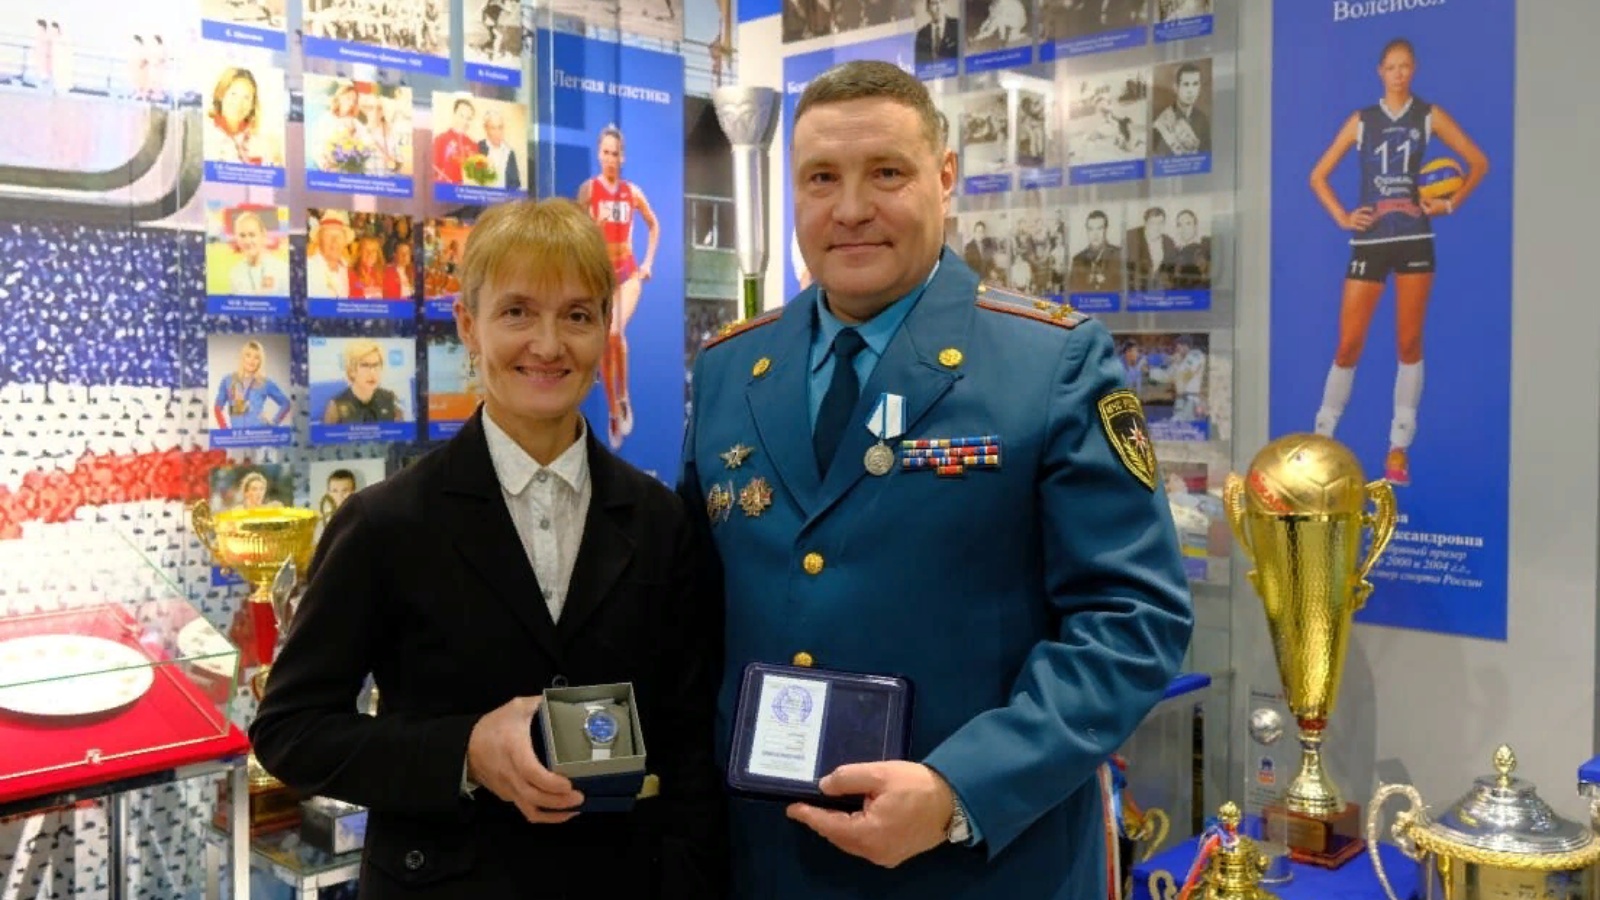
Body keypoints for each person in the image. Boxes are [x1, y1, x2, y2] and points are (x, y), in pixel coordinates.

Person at [677, 60, 1191, 899]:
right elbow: (691, 610)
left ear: (945, 177)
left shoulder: (1051, 363)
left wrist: (961, 789)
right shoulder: (733, 368)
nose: (850, 209)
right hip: (773, 860)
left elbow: (1131, 621)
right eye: (821, 178)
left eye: (886, 172)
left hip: (978, 862)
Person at [251, 198, 725, 899]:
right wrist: (465, 752)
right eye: (517, 312)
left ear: (605, 327)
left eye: (577, 315)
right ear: (468, 325)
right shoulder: (386, 523)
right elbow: (291, 730)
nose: (548, 345)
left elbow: (691, 747)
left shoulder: (661, 522)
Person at [1308, 36, 1488, 485]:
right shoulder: (1362, 120)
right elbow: (1318, 176)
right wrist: (1343, 216)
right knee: (1348, 344)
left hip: (1414, 238)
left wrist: (1449, 203)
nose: (1398, 73)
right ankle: (1323, 437)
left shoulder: (1428, 115)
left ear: (1414, 70)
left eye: (1405, 66)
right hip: (1370, 240)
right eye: (1391, 66)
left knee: (1408, 343)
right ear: (1380, 72)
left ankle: (1398, 447)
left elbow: (1478, 162)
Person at [576, 125, 660, 450]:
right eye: (606, 153)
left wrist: (648, 262)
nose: (610, 158)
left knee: (613, 333)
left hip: (627, 273)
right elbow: (573, 230)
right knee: (604, 344)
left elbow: (653, 224)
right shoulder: (588, 191)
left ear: (622, 157)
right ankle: (613, 411)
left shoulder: (632, 192)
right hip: (600, 276)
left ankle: (623, 396)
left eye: (615, 153)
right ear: (599, 155)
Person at [321, 338, 406, 424]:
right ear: (351, 371)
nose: (372, 372)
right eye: (365, 365)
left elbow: (401, 431)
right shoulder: (336, 407)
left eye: (376, 365)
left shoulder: (390, 400)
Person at [212, 339, 290, 429]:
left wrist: (274, 423)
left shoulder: (265, 383)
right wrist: (224, 429)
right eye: (248, 355)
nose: (251, 360)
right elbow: (217, 407)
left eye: (256, 357)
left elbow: (286, 404)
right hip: (237, 435)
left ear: (260, 361)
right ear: (242, 357)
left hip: (259, 434)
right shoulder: (229, 380)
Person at [225, 209, 289, 297]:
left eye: (252, 235)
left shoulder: (282, 270)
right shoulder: (235, 273)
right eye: (242, 235)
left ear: (263, 235)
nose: (247, 241)